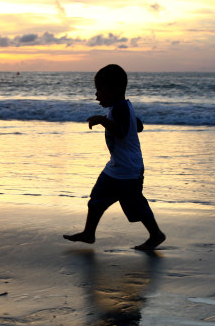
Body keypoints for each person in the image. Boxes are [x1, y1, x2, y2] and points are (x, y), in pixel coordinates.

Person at [63, 64, 166, 251]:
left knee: (135, 204)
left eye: (99, 89)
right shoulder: (120, 107)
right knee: (96, 200)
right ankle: (89, 233)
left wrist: (102, 121)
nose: (96, 95)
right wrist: (116, 121)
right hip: (116, 167)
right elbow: (138, 126)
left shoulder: (119, 108)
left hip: (129, 169)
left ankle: (156, 234)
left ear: (115, 89)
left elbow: (121, 131)